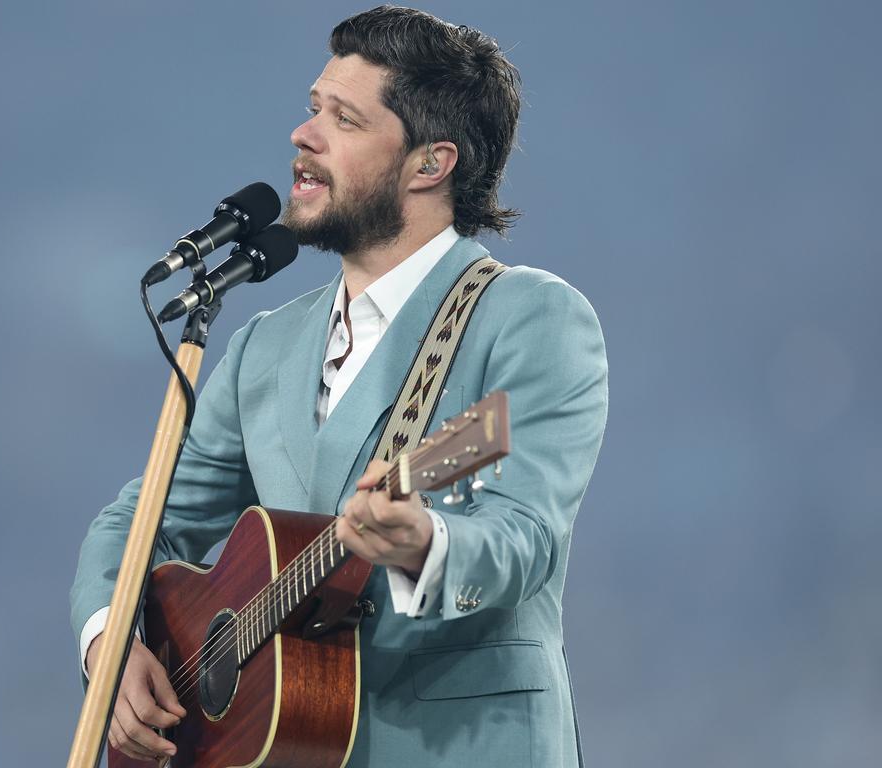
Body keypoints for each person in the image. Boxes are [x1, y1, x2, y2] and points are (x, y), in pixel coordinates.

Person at [71, 6, 608, 767]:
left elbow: (527, 537)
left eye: (346, 119)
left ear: (431, 163)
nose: (304, 134)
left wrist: (427, 542)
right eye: (312, 108)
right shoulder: (265, 344)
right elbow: (144, 518)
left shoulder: (529, 317)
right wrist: (110, 639)